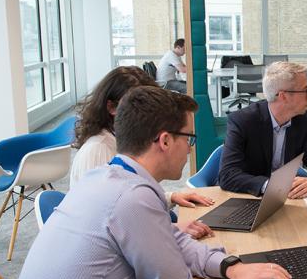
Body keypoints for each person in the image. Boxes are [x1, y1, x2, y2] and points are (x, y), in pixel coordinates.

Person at [0, 86, 292, 279]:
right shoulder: (131, 198)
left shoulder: (108, 176)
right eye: (189, 139)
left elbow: (172, 238)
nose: (190, 148)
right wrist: (188, 266)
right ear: (164, 141)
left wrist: (229, 266)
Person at [69, 65, 213, 239]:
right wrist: (173, 228)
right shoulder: (98, 150)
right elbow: (105, 221)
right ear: (111, 107)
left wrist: (170, 197)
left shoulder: (126, 142)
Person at [218, 61, 307, 198]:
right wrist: (272, 187)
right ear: (283, 96)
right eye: (305, 90)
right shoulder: (243, 121)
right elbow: (227, 175)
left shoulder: (302, 120)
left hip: (286, 199)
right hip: (249, 198)